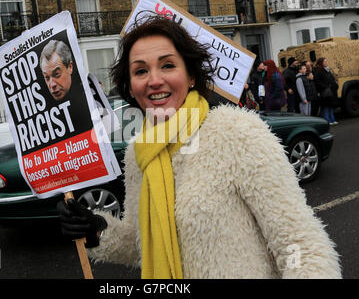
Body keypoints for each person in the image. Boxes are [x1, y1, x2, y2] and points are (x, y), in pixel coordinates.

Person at [57, 16, 341, 279]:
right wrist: (97, 231)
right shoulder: (137, 154)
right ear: (130, 87)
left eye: (168, 65)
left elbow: (300, 245)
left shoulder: (236, 132)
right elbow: (140, 242)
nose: (155, 80)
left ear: (191, 76)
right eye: (141, 70)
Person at [314, 58, 339, 125]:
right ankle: (327, 121)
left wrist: (335, 85)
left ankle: (332, 119)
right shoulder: (318, 71)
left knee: (331, 106)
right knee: (326, 107)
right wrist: (325, 86)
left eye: (326, 61)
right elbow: (317, 81)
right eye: (325, 61)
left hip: (330, 91)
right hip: (324, 92)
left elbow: (332, 79)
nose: (326, 62)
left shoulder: (327, 70)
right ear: (321, 63)